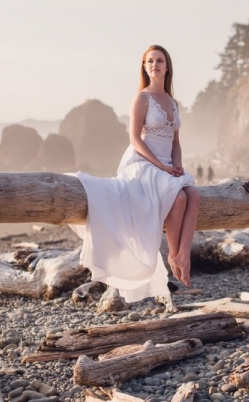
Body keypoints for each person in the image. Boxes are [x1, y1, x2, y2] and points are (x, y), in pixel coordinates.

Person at [69, 45, 201, 303]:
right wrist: (161, 167)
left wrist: (176, 165)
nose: (155, 64)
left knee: (194, 195)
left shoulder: (173, 102)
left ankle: (183, 254)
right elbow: (134, 139)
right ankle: (173, 254)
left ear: (167, 66)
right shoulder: (142, 98)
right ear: (144, 66)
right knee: (180, 199)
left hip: (166, 164)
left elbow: (175, 142)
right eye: (150, 61)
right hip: (143, 163)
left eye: (159, 60)